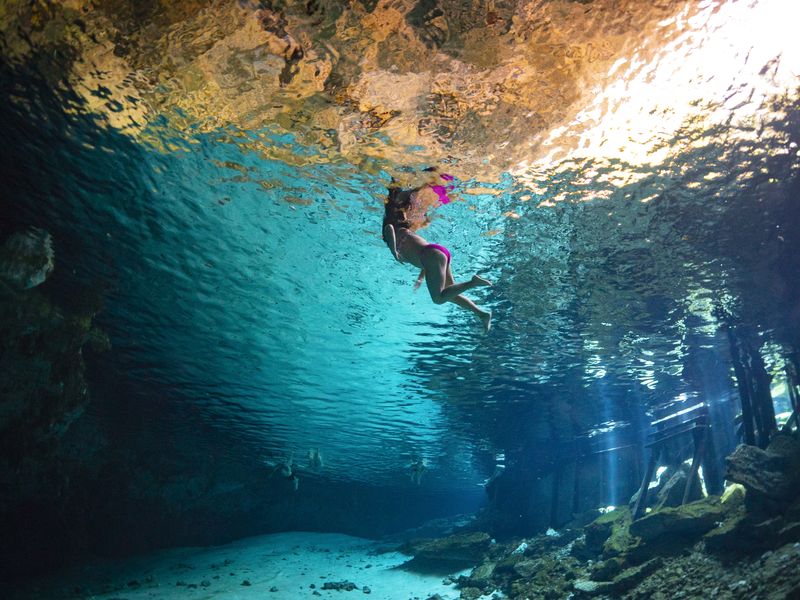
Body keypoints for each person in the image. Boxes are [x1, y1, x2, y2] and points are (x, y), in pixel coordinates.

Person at [382, 180, 492, 333]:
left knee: (438, 298)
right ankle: (482, 314)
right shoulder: (404, 228)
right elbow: (423, 258)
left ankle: (472, 283)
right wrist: (421, 277)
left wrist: (394, 252)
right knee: (449, 293)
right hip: (437, 252)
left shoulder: (392, 226)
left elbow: (388, 229)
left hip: (431, 255)